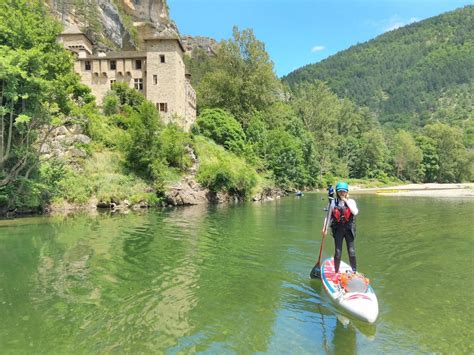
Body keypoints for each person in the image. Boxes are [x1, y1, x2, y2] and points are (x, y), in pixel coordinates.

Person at [322, 182, 359, 274]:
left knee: (351, 251)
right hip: (338, 229)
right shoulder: (333, 202)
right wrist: (324, 228)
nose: (342, 193)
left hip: (349, 229)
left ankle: (354, 271)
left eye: (344, 191)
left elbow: (355, 212)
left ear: (347, 192)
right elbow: (328, 216)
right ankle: (336, 272)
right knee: (338, 252)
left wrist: (345, 200)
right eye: (340, 191)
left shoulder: (351, 201)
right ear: (337, 192)